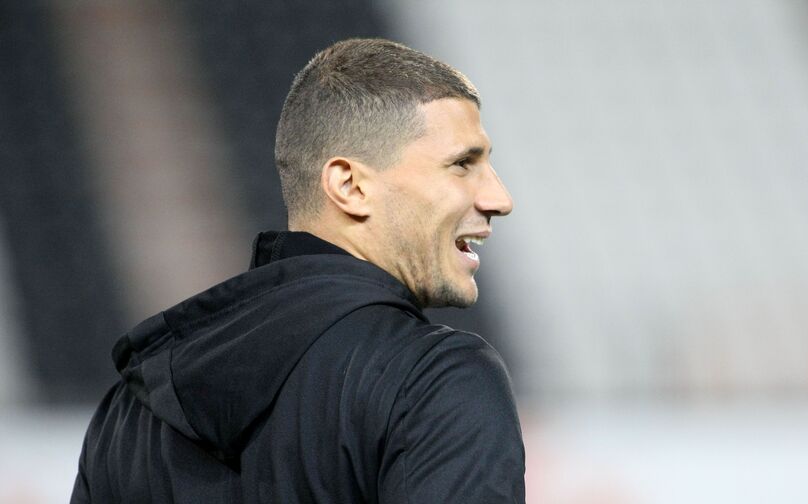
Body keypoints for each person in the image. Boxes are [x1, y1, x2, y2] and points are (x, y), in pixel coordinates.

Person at [71, 38, 524, 503]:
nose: (499, 199)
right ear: (350, 186)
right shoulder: (436, 378)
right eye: (462, 164)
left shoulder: (129, 413)